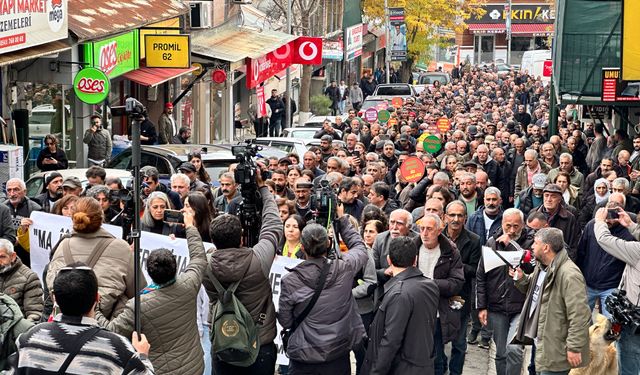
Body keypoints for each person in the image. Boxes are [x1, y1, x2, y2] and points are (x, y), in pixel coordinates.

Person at [95, 203, 207, 375]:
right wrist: (190, 226)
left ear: (148, 272)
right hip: (194, 366)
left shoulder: (138, 305)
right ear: (175, 267)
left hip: (159, 370)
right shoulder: (189, 283)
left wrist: (94, 309)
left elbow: (112, 330)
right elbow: (199, 257)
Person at [202, 167, 282, 375]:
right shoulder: (257, 260)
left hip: (223, 342)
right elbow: (273, 226)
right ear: (241, 238)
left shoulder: (204, 264)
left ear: (213, 240)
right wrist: (263, 188)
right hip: (259, 344)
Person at [278, 204, 369, 374]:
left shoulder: (290, 281)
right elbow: (360, 248)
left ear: (302, 248)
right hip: (337, 353)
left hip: (304, 356)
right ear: (328, 244)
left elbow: (286, 321)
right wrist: (343, 221)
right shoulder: (344, 268)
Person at [13, 264, 154, 373]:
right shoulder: (120, 348)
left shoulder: (28, 339)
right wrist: (142, 357)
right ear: (97, 298)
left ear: (54, 298)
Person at [46, 197, 144, 320]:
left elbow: (52, 288)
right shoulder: (122, 248)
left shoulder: (62, 245)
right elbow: (139, 292)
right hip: (108, 326)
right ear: (102, 217)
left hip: (65, 322)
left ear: (73, 217)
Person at [512, 228, 591, 375]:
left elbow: (580, 315)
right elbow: (534, 289)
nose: (532, 247)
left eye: (535, 243)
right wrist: (521, 278)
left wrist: (574, 347)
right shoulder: (542, 266)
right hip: (542, 341)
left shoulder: (569, 274)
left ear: (546, 247)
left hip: (556, 349)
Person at [361, 236, 440, 375]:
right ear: (415, 260)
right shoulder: (430, 286)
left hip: (403, 368)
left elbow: (391, 341)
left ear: (389, 260)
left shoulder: (399, 294)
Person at [476, 208, 533, 375]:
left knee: (514, 350)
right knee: (501, 352)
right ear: (502, 224)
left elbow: (533, 268)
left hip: (521, 306)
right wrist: (482, 306)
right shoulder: (492, 242)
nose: (512, 230)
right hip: (497, 305)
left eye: (516, 226)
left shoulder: (530, 242)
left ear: (523, 224)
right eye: (508, 226)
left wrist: (513, 247)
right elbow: (481, 276)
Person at [414, 213, 464, 375]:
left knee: (436, 357)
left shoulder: (450, 251)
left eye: (429, 229)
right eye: (422, 228)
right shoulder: (412, 247)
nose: (425, 233)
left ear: (439, 230)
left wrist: (429, 284)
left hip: (437, 312)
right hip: (413, 310)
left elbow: (456, 283)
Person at [594, 206, 640, 374]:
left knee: (629, 365)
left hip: (634, 321)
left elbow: (605, 240)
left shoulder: (637, 252)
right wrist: (630, 225)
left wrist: (599, 222)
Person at [443, 201, 482, 375]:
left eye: (460, 215)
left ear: (465, 218)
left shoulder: (474, 240)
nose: (456, 219)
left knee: (459, 343)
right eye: (452, 215)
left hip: (460, 297)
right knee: (438, 341)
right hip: (439, 296)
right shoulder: (438, 235)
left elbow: (475, 269)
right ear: (445, 217)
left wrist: (455, 265)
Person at [0, 239, 42, 322]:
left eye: (2, 257)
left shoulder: (29, 277)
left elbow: (35, 314)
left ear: (13, 256)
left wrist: (21, 332)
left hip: (16, 330)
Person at [4, 178, 41, 266]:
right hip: (6, 257)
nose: (12, 193)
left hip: (27, 258)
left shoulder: (35, 209)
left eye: (16, 189)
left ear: (25, 192)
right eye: (9, 190)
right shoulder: (2, 208)